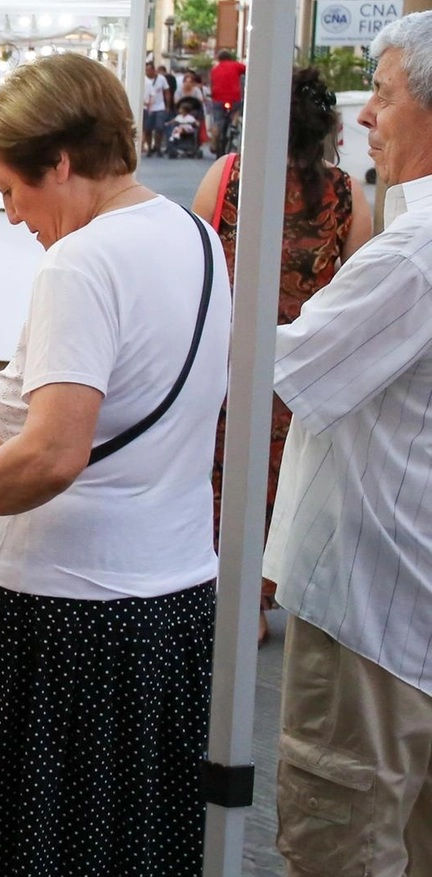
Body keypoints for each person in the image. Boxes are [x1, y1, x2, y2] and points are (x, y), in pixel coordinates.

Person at [0, 53, 231, 876]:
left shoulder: (80, 263)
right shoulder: (193, 234)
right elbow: (105, 412)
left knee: (5, 843)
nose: (9, 214)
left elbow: (55, 449)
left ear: (63, 163)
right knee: (121, 845)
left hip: (71, 610)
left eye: (10, 188)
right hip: (170, 597)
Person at [262, 13, 432, 875]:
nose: (369, 116)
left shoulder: (415, 251)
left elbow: (279, 368)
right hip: (406, 605)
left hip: (378, 612)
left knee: (345, 843)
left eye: (388, 96)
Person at [192, 66, 372, 644]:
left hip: (225, 365)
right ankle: (263, 598)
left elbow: (196, 269)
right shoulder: (346, 194)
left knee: (218, 477)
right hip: (298, 373)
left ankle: (219, 592)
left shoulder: (227, 176)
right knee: (282, 484)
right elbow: (357, 296)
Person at [209, 49, 247, 153]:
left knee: (217, 121)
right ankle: (234, 125)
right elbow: (248, 70)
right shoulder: (236, 65)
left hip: (218, 98)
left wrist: (211, 94)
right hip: (234, 97)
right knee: (236, 110)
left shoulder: (215, 69)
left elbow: (212, 83)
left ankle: (213, 143)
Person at [143, 60, 169, 155]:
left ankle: (157, 147)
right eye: (146, 70)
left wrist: (167, 105)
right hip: (147, 107)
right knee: (148, 128)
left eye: (149, 69)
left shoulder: (161, 79)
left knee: (159, 127)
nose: (147, 72)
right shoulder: (144, 80)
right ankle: (149, 147)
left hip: (159, 106)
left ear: (154, 70)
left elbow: (166, 91)